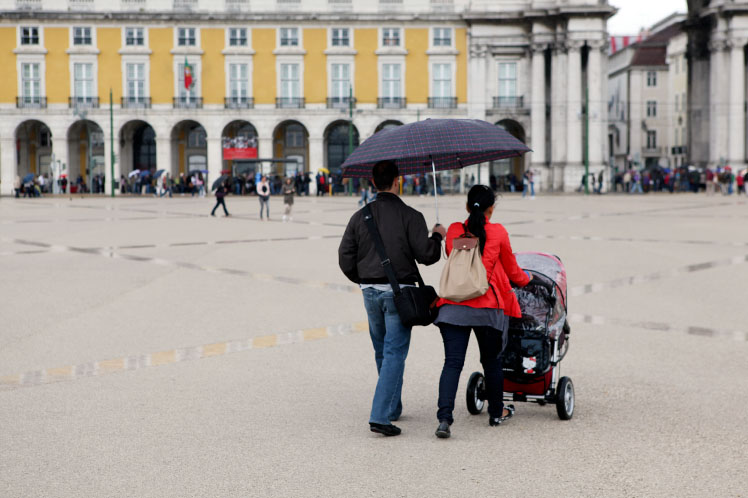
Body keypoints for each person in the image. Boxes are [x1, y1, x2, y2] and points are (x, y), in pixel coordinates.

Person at [338, 160, 446, 437]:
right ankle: (380, 415)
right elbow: (427, 256)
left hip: (370, 292)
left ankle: (392, 405)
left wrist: (363, 280)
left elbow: (345, 257)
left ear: (373, 183)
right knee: (394, 352)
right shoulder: (411, 215)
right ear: (398, 180)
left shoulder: (359, 217)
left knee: (381, 350)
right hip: (399, 295)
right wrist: (437, 236)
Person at [433, 185, 531, 438]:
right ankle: (496, 413)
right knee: (491, 362)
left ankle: (444, 419)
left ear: (467, 207)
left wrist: (441, 234)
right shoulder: (498, 232)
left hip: (453, 308)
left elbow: (450, 253)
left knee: (452, 363)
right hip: (487, 309)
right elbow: (512, 271)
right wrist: (526, 280)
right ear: (491, 208)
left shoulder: (455, 230)